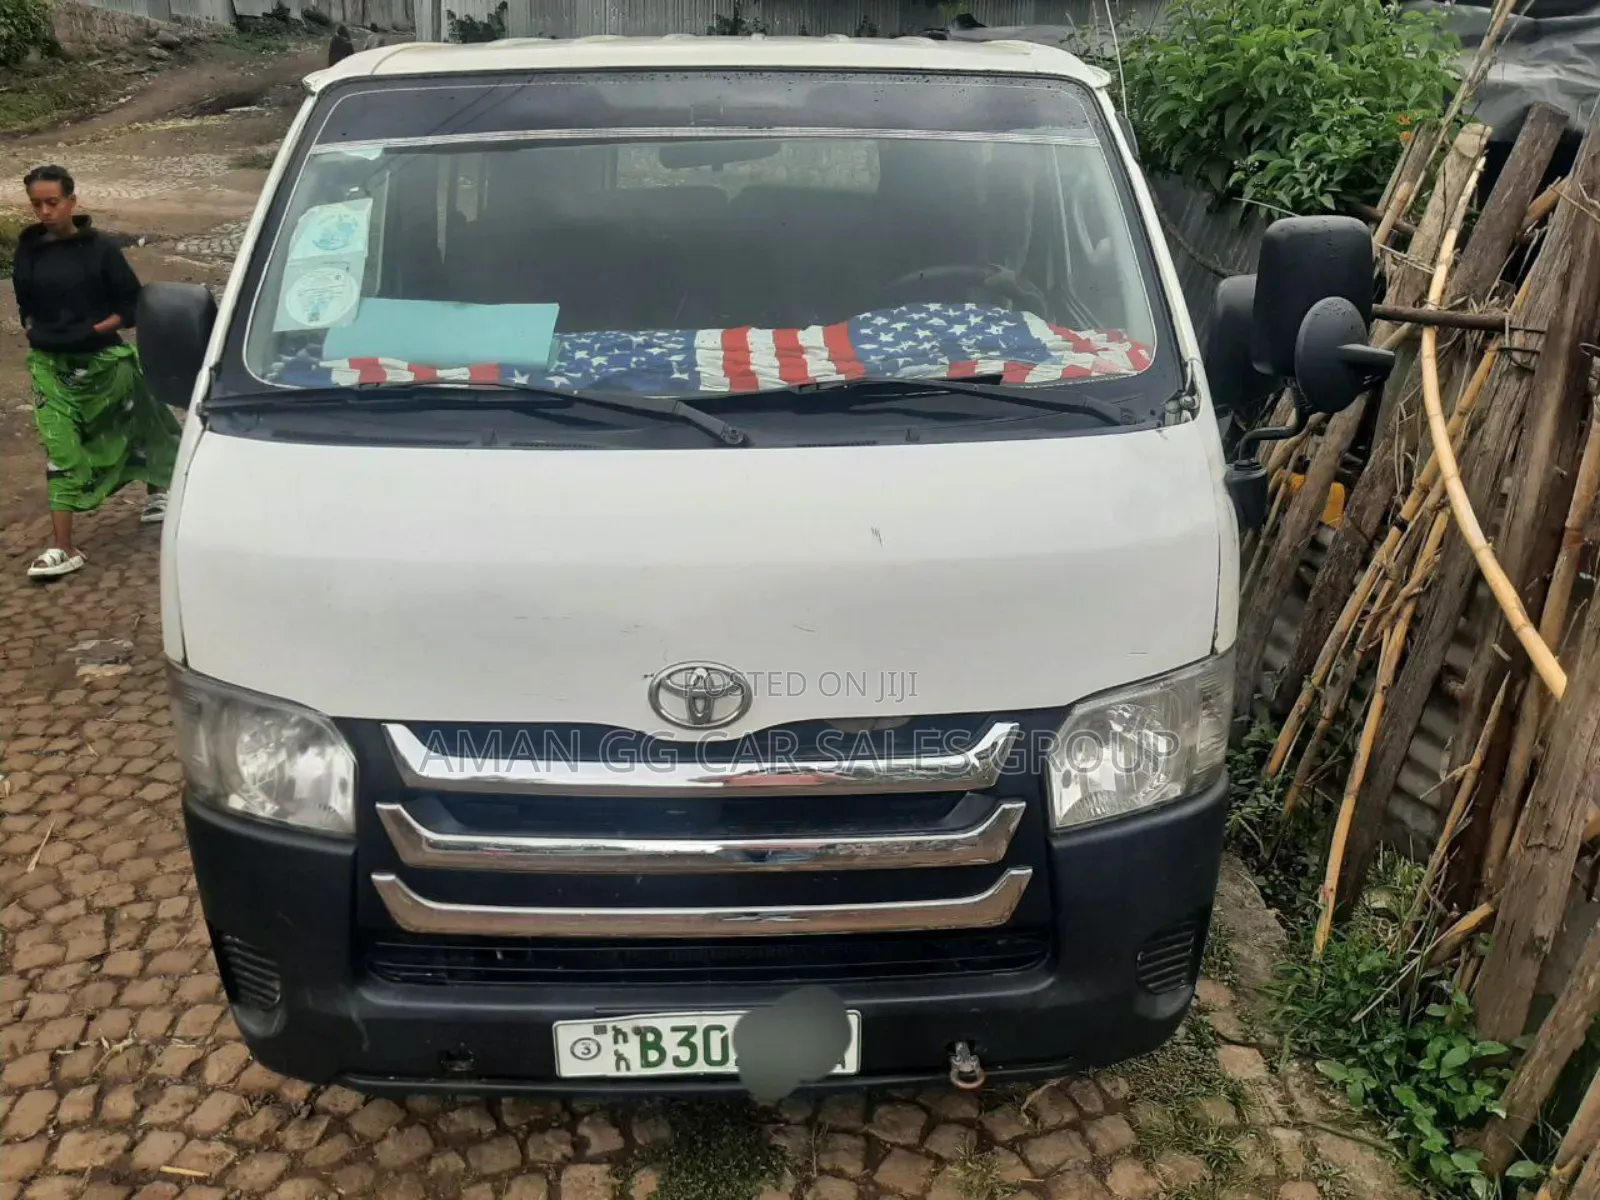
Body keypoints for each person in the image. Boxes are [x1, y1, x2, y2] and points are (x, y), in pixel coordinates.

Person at [12, 164, 181, 579]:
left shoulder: (101, 249)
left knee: (143, 421)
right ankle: (62, 546)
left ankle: (157, 491)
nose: (46, 211)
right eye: (37, 204)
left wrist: (93, 330)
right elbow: (25, 302)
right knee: (60, 446)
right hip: (51, 364)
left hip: (103, 359)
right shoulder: (29, 249)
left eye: (53, 202)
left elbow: (130, 304)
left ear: (72, 200)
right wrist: (38, 329)